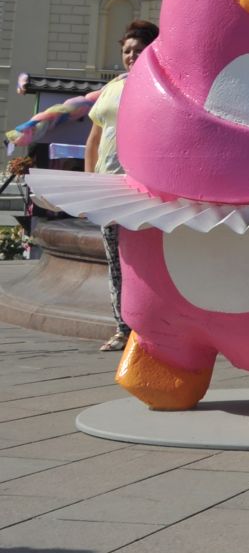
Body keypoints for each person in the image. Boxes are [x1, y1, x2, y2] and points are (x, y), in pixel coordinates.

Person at [85, 19, 158, 351]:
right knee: (115, 260)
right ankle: (122, 328)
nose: (131, 55)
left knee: (144, 262)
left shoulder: (158, 83)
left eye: (138, 49)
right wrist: (90, 182)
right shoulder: (113, 86)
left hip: (140, 188)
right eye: (127, 50)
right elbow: (94, 137)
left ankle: (150, 328)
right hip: (108, 185)